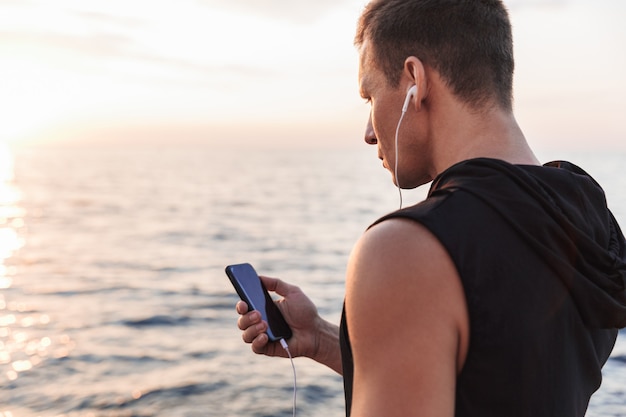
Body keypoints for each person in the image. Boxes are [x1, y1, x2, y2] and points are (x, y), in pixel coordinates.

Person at [235, 1, 626, 416]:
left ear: (414, 81)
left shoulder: (405, 251)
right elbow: (501, 380)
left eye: (370, 96)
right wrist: (320, 339)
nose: (369, 132)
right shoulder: (584, 215)